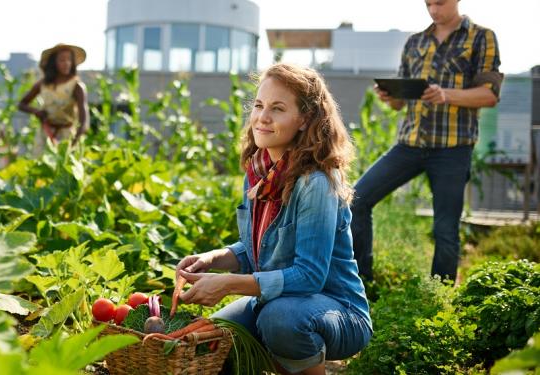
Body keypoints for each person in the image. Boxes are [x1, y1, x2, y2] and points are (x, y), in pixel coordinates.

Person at [176, 63, 372, 375]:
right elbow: (257, 248)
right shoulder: (258, 172)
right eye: (258, 105)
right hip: (275, 302)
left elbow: (309, 276)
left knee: (278, 321)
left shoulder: (316, 182)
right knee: (212, 339)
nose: (262, 117)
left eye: (277, 108)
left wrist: (228, 285)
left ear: (305, 119)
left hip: (337, 311)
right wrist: (212, 258)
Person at [351, 0, 502, 282]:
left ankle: (440, 297)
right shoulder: (415, 42)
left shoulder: (481, 37)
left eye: (440, 3)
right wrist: (390, 95)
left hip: (453, 148)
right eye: (428, 3)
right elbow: (399, 105)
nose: (433, 10)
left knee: (445, 230)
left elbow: (489, 95)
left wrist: (446, 94)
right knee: (356, 199)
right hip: (410, 143)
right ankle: (362, 283)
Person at [18, 43, 89, 149]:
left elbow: (83, 120)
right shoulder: (43, 84)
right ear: (53, 63)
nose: (66, 63)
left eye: (69, 60)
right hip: (45, 133)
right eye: (62, 60)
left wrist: (75, 140)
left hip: (67, 135)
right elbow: (21, 104)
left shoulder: (76, 86)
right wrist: (37, 112)